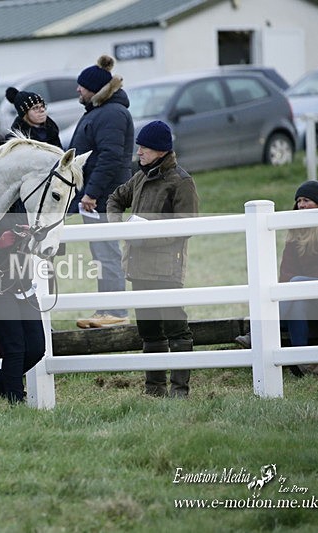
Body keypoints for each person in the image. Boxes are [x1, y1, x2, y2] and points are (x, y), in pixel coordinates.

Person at [108, 120, 199, 398]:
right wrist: (118, 226)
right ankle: (154, 389)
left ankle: (180, 390)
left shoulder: (181, 182)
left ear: (160, 150)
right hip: (138, 268)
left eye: (144, 148)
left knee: (176, 328)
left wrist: (142, 235)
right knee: (148, 330)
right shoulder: (140, 177)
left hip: (166, 269)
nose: (139, 152)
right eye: (139, 147)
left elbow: (187, 226)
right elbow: (114, 199)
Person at [235, 182, 318, 365]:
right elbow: (287, 270)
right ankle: (300, 361)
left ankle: (258, 334)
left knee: (297, 283)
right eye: (299, 201)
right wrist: (282, 297)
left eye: (306, 200)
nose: (301, 205)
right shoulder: (296, 231)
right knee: (297, 298)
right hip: (309, 296)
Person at [0, 132, 45, 406]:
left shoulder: (18, 192)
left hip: (21, 279)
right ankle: (16, 402)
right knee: (15, 346)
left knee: (36, 348)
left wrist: (29, 234)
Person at [69, 55, 134, 329]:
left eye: (82, 86)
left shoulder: (111, 114)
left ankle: (115, 312)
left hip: (103, 199)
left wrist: (91, 194)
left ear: (95, 90)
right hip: (97, 197)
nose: (78, 90)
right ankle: (106, 309)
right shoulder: (102, 112)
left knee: (106, 253)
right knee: (101, 254)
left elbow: (109, 157)